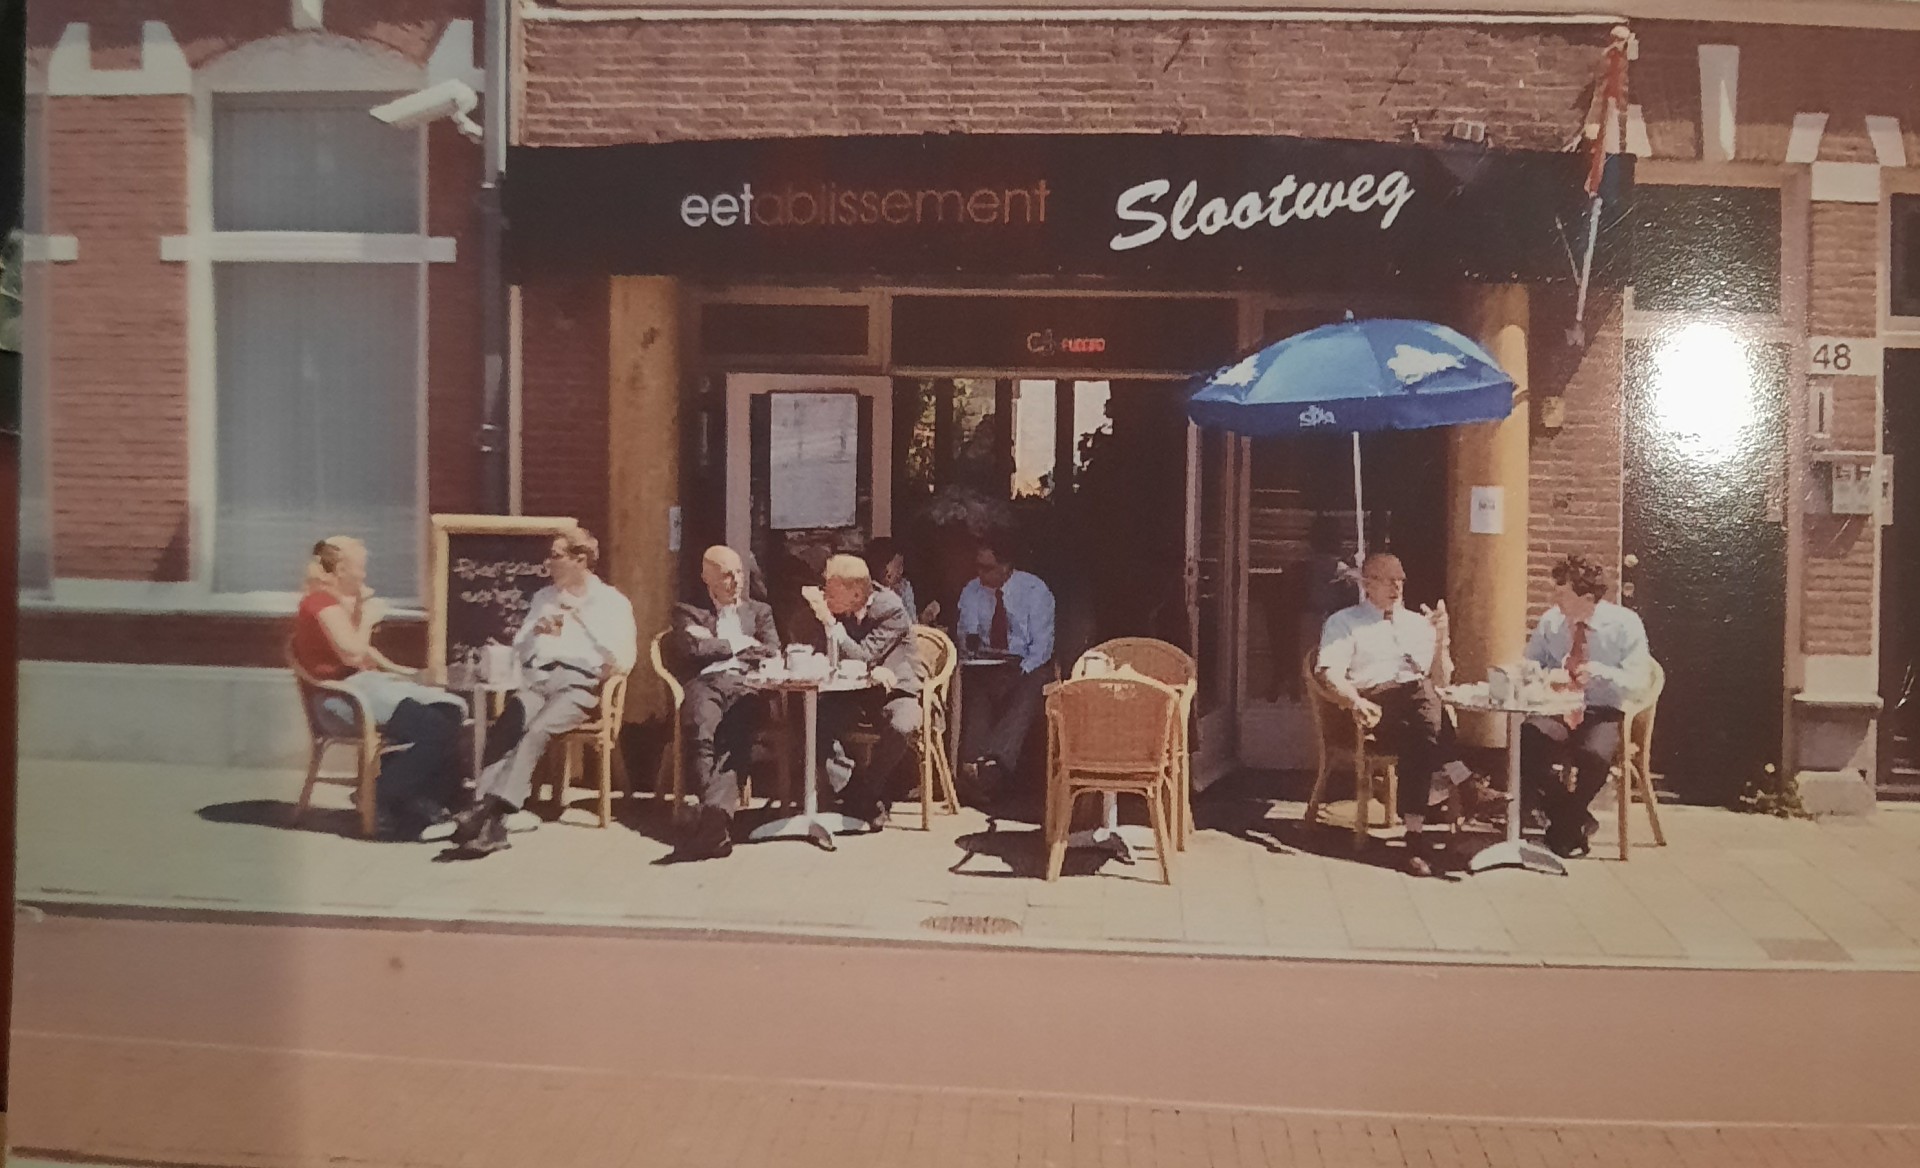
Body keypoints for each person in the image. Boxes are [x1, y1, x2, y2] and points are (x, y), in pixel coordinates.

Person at [449, 527, 637, 857]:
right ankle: (491, 822)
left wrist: (581, 620)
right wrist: (533, 632)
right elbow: (520, 649)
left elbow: (622, 660)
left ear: (580, 560)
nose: (547, 563)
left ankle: (486, 811)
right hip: (538, 678)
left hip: (579, 684)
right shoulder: (543, 598)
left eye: (555, 556)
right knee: (508, 725)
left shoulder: (612, 602)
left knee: (537, 731)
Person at [1315, 551, 1483, 876]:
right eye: (1389, 579)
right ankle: (1466, 781)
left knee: (1419, 733)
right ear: (1367, 583)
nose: (1398, 586)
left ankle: (1415, 843)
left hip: (1414, 715)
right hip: (1373, 708)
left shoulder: (1418, 624)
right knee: (1422, 700)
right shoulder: (1345, 622)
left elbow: (1441, 680)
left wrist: (1441, 640)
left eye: (1401, 579)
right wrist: (1354, 701)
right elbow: (1329, 672)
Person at [292, 536, 467, 841]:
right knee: (436, 730)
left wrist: (408, 673)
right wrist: (369, 620)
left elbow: (365, 653)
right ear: (341, 569)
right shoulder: (320, 603)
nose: (364, 575)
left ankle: (416, 796)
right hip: (342, 700)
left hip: (364, 689)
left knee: (449, 712)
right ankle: (383, 794)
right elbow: (352, 652)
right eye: (360, 568)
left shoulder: (337, 604)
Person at [1520, 553, 1653, 859]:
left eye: (1563, 593)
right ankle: (1573, 819)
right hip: (1558, 707)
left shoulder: (1624, 624)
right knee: (1527, 739)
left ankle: (1564, 825)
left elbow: (1639, 681)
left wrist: (1601, 673)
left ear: (1588, 597)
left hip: (1602, 709)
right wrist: (1544, 676)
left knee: (1594, 755)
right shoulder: (1551, 622)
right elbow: (1530, 665)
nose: (1556, 598)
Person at [664, 545, 781, 862]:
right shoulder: (688, 610)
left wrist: (715, 645)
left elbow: (772, 651)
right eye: (727, 575)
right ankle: (713, 816)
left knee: (734, 740)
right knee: (701, 732)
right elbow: (692, 650)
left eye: (739, 573)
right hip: (705, 683)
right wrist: (738, 644)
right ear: (707, 577)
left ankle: (712, 821)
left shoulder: (759, 612)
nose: (736, 581)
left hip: (747, 686)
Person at [801, 554, 922, 829]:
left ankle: (868, 789)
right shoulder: (834, 607)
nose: (825, 597)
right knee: (810, 719)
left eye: (831, 592)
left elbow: (864, 655)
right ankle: (855, 789)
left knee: (903, 726)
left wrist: (831, 625)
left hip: (895, 689)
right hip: (850, 690)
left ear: (856, 594)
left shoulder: (890, 608)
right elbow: (815, 646)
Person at [953, 532, 1055, 807]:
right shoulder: (973, 591)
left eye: (987, 568)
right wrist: (972, 643)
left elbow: (1042, 647)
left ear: (1006, 567)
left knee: (1031, 686)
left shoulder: (1034, 591)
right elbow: (967, 636)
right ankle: (971, 765)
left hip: (1025, 664)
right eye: (977, 567)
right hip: (988, 663)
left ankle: (993, 762)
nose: (980, 574)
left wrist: (1020, 670)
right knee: (976, 686)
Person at [863, 536, 937, 625]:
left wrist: (924, 618)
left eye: (902, 566)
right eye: (898, 567)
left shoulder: (904, 587)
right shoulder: (872, 596)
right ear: (884, 568)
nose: (901, 571)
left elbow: (911, 623)